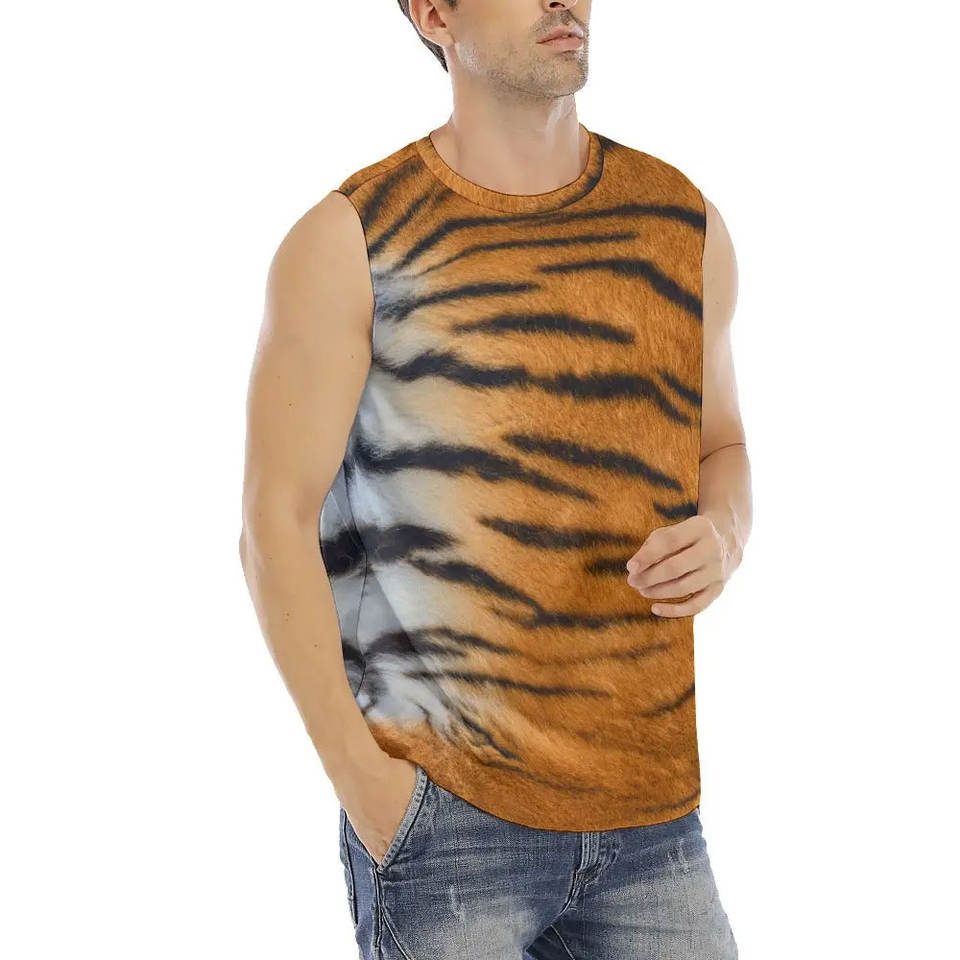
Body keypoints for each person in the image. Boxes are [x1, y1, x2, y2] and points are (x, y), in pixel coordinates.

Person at [239, 1, 751, 956]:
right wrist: (365, 783)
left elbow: (720, 444)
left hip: (651, 809)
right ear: (435, 13)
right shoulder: (352, 239)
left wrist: (723, 532)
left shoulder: (680, 219)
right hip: (446, 814)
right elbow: (274, 521)